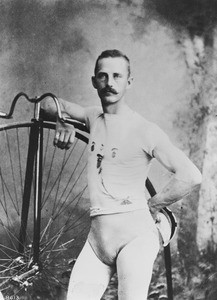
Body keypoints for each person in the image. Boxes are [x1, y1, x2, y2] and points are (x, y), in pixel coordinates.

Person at [42, 49, 202, 300]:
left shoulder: (144, 130)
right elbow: (47, 103)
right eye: (103, 76)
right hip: (97, 243)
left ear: (129, 82)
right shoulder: (92, 116)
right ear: (94, 81)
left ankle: (158, 228)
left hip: (134, 238)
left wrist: (155, 204)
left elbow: (191, 175)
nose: (110, 83)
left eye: (117, 76)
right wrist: (62, 119)